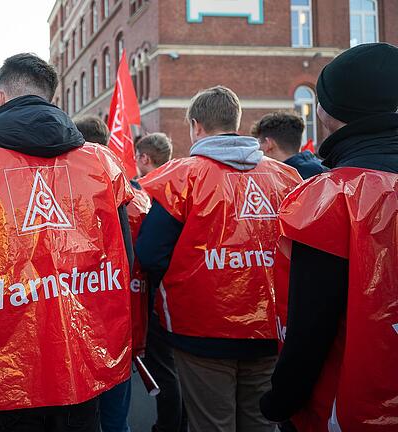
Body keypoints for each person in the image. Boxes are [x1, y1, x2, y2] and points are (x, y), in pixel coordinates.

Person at [0, 53, 134, 432]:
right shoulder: (102, 164)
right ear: (51, 98)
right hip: (80, 366)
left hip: (0, 375)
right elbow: (122, 264)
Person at [137, 86, 302, 432]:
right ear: (236, 121)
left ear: (196, 126)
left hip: (200, 329)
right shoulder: (285, 177)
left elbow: (150, 254)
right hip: (269, 327)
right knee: (260, 423)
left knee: (212, 424)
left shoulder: (184, 176)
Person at [261, 42, 398, 431]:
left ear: (327, 112)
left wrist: (280, 399)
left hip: (349, 408)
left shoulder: (330, 198)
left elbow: (309, 329)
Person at [74, 115, 141, 432]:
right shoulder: (133, 193)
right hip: (119, 319)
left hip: (82, 321)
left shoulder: (71, 188)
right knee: (116, 418)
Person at [132, 133, 187, 432]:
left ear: (144, 158)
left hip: (159, 292)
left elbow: (149, 253)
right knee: (178, 367)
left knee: (165, 369)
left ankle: (169, 426)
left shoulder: (156, 192)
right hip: (179, 291)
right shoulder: (179, 185)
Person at [251, 112, 328, 179]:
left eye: (259, 142)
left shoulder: (280, 179)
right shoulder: (326, 170)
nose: (257, 148)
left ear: (269, 144)